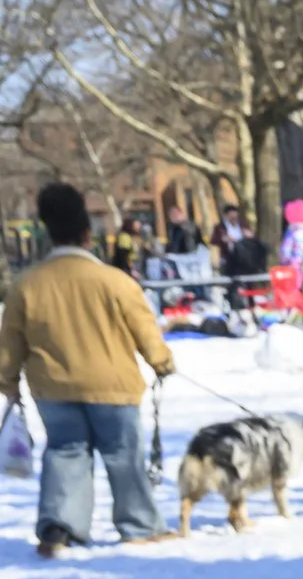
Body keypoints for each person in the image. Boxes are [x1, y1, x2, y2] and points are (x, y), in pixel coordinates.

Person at [1, 183, 177, 558]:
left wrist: (8, 381)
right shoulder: (116, 282)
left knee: (65, 452)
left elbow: (10, 344)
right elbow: (145, 331)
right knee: (123, 453)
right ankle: (139, 525)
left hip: (53, 388)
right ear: (87, 234)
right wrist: (162, 362)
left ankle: (58, 526)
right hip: (113, 387)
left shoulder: (26, 285)